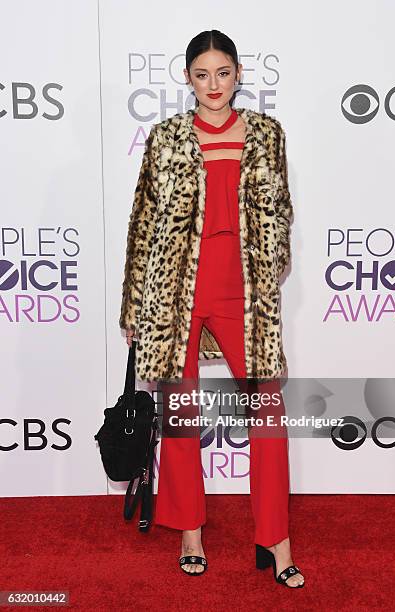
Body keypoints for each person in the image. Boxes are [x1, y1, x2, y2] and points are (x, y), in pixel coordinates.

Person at [120, 29, 304, 588]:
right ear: (187, 78)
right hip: (177, 291)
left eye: (222, 73)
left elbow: (281, 209)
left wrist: (270, 269)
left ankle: (276, 539)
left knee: (268, 420)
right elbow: (143, 221)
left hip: (243, 294)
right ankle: (191, 532)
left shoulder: (267, 134)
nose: (213, 85)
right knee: (180, 418)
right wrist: (135, 304)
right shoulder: (167, 137)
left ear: (239, 74)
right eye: (202, 74)